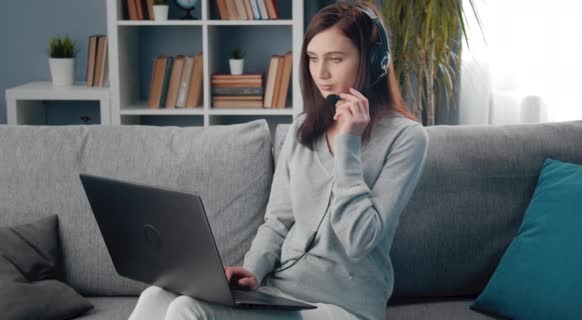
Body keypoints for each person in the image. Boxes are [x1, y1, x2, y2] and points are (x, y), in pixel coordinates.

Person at [129, 1, 428, 319]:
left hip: (345, 305)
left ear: (373, 62)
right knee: (156, 296)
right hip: (281, 292)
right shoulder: (303, 128)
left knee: (187, 309)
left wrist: (348, 143)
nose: (321, 73)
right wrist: (252, 270)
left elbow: (359, 240)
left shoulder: (407, 138)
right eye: (313, 59)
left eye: (336, 59)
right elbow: (278, 222)